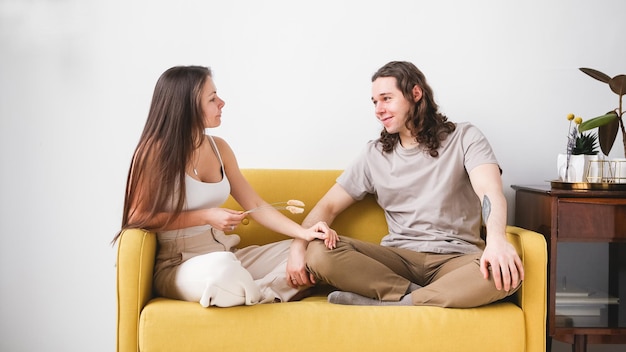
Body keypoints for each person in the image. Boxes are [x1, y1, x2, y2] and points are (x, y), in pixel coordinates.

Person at [286, 60, 523, 308]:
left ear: (415, 94)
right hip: (397, 261)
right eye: (374, 102)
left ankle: (393, 304)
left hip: (457, 259)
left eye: (386, 98)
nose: (378, 109)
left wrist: (497, 240)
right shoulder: (374, 154)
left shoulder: (465, 137)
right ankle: (423, 298)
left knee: (507, 273)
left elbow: (489, 191)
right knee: (319, 251)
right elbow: (328, 207)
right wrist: (297, 247)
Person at [115, 65, 336, 307]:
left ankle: (252, 292)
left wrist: (303, 234)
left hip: (228, 254)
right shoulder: (152, 153)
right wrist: (205, 216)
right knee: (223, 272)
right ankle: (269, 291)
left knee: (313, 254)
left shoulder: (219, 148)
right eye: (212, 99)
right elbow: (138, 216)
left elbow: (255, 204)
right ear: (187, 106)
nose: (222, 103)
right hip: (179, 263)